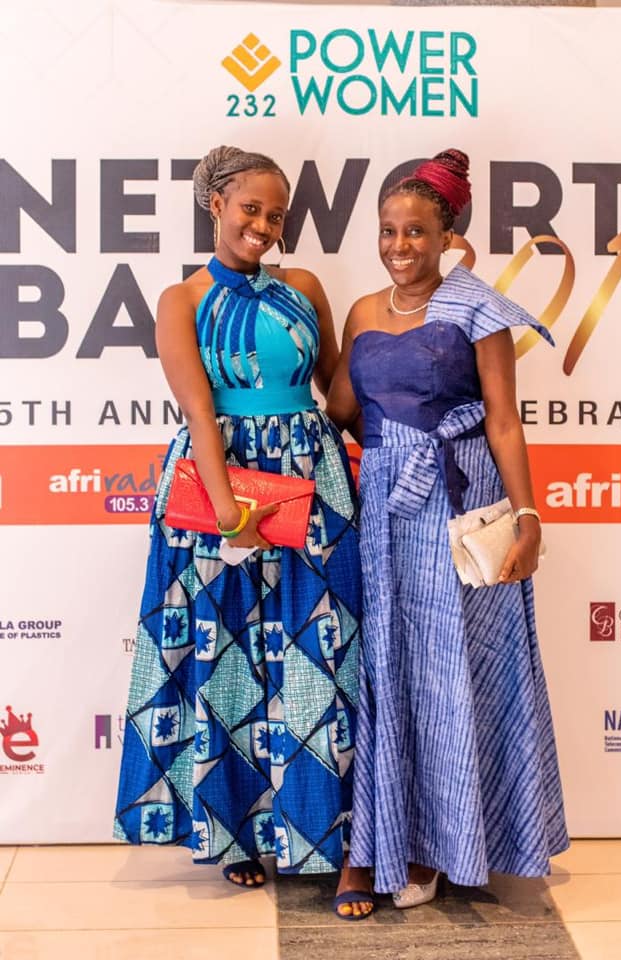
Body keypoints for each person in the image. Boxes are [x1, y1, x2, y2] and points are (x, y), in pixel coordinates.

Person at [114, 145, 371, 918]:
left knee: (324, 654)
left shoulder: (305, 287)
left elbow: (338, 393)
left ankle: (331, 836)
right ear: (216, 204)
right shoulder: (181, 299)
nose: (263, 224)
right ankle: (236, 836)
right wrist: (232, 513)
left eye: (276, 214)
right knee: (227, 658)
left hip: (313, 486)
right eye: (250, 208)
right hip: (218, 489)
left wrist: (386, 356)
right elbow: (199, 410)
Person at [326, 148, 569, 907]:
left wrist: (528, 517)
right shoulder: (363, 312)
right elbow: (342, 409)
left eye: (416, 232)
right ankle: (393, 839)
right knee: (390, 668)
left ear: (447, 237)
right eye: (388, 231)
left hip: (461, 503)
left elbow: (504, 420)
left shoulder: (479, 310)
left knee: (455, 672)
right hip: (386, 510)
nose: (400, 246)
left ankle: (448, 844)